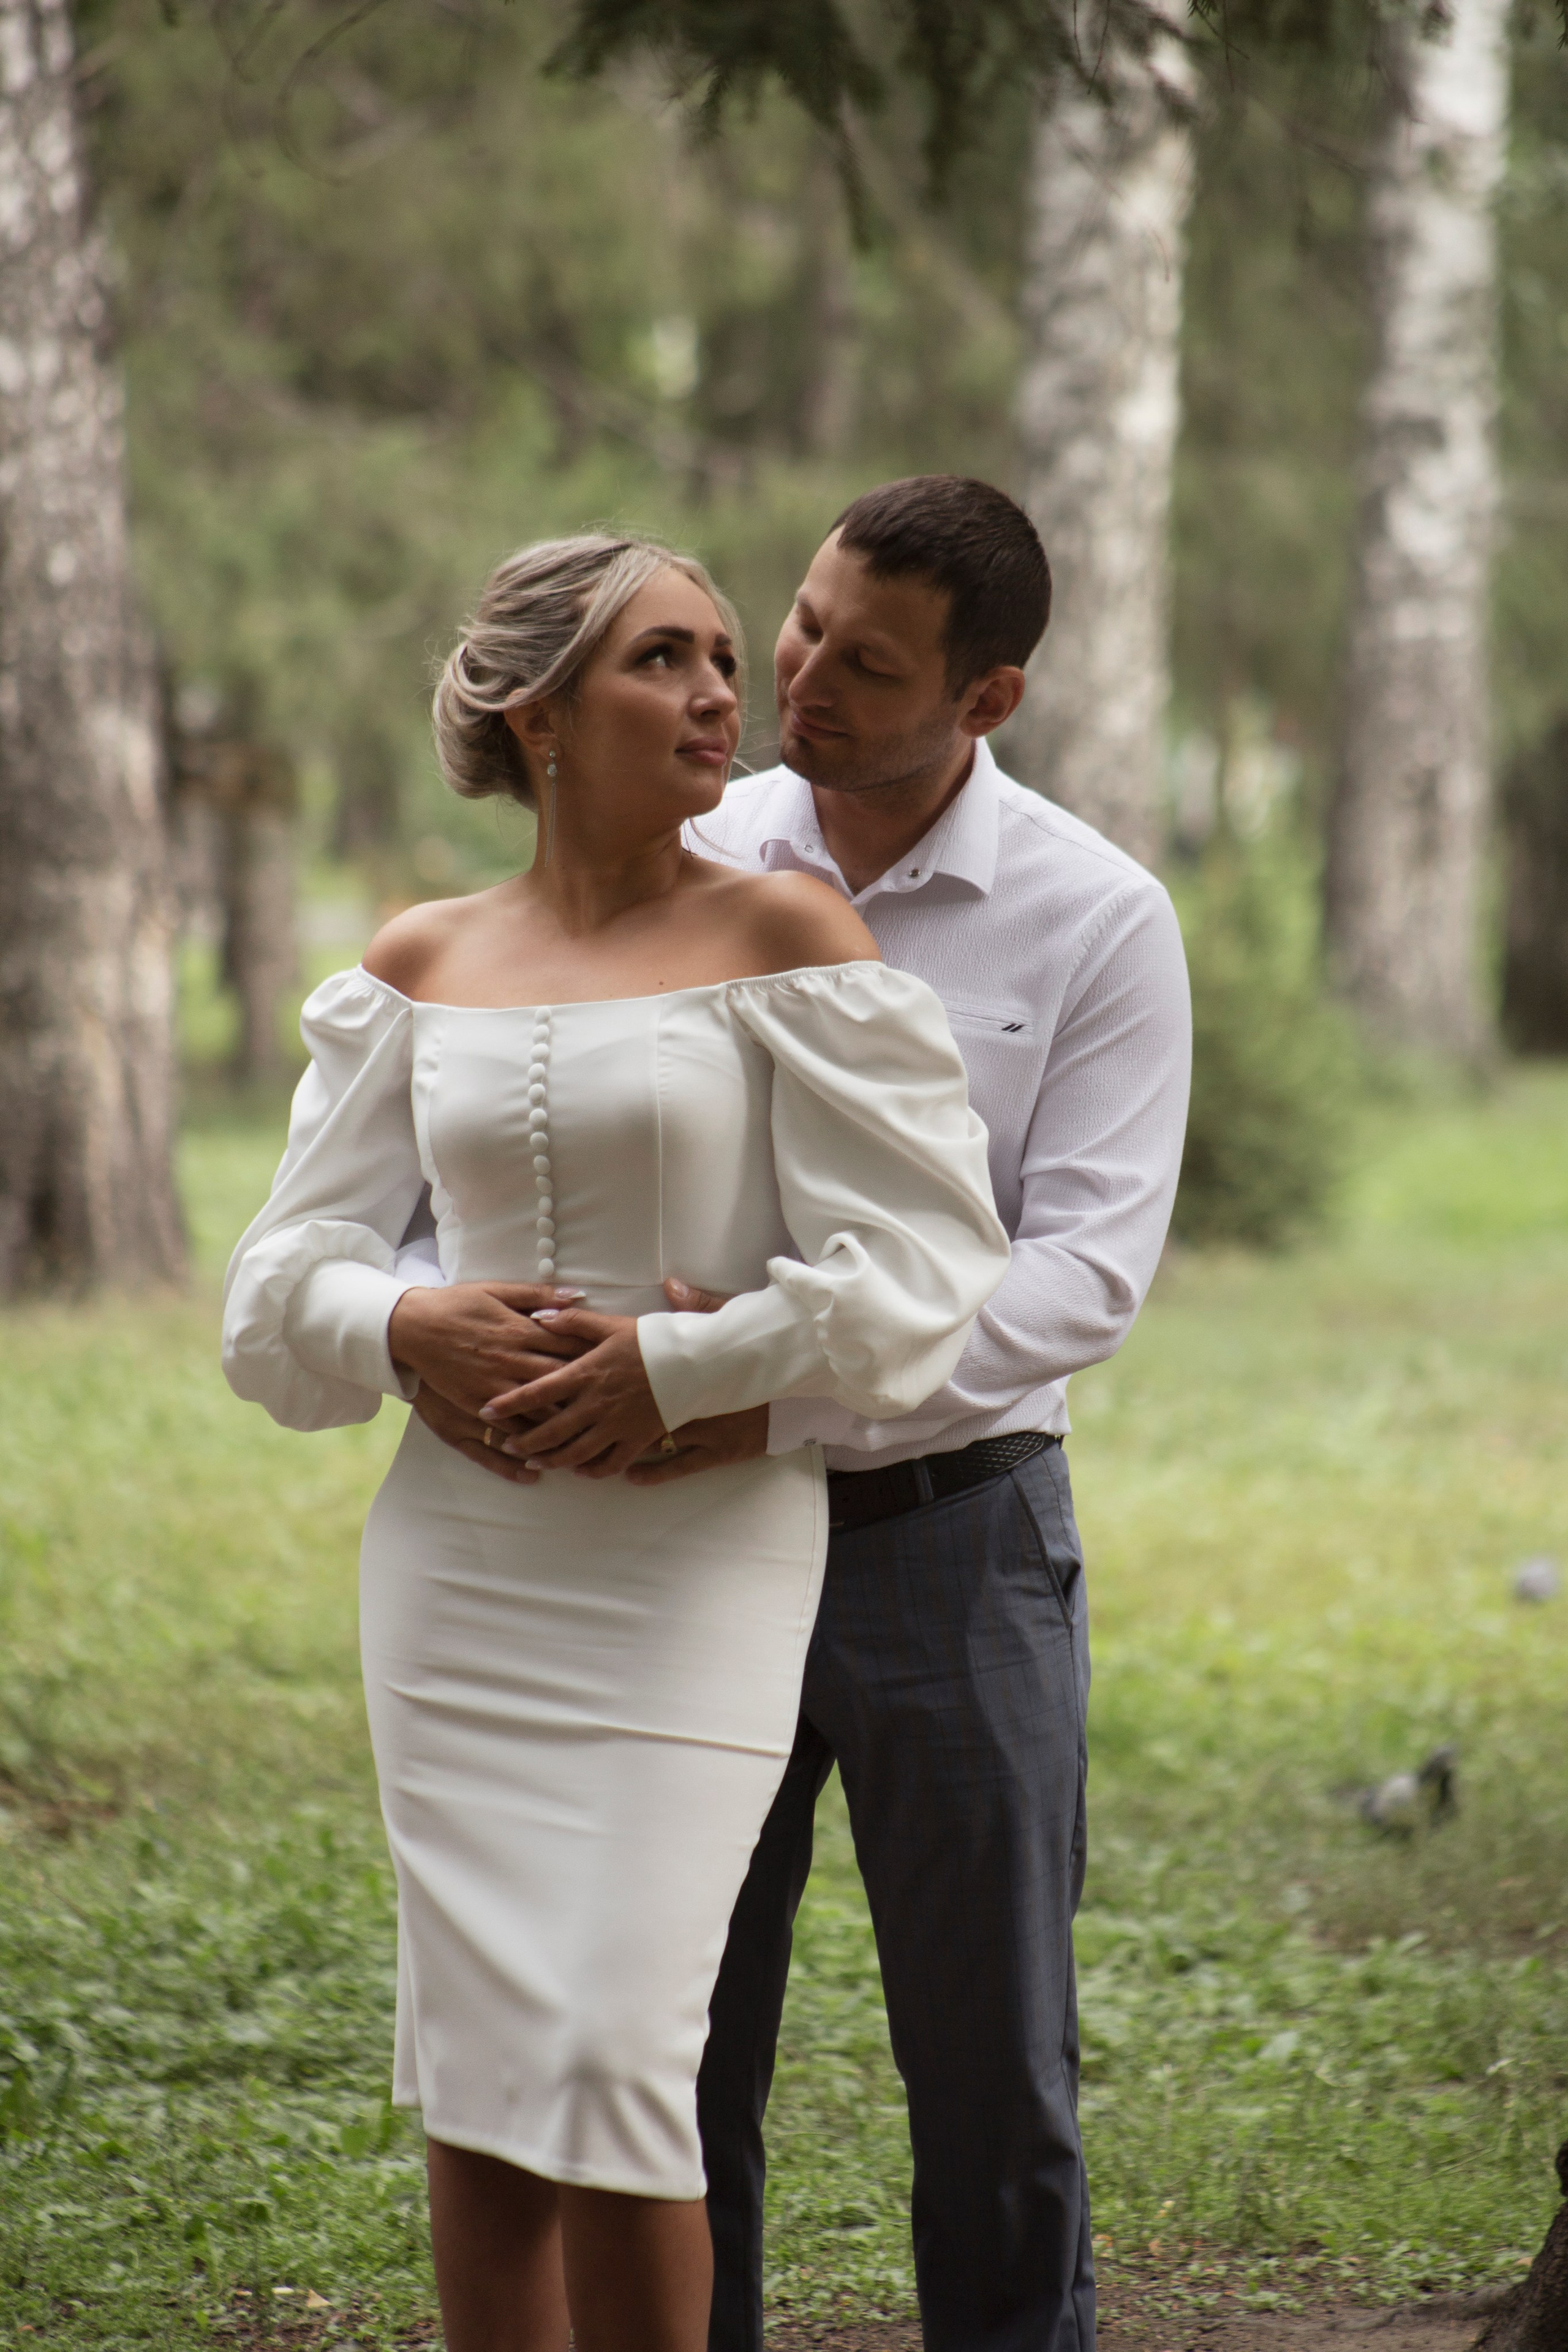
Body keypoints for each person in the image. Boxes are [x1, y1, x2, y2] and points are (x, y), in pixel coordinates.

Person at [415, 477, 1193, 2352]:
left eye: (871, 660)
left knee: (994, 2066)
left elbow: (1078, 1278)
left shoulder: (1096, 920)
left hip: (951, 1543)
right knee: (671, 2053)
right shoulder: (688, 827)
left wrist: (766, 1399)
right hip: (655, 1552)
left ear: (985, 700)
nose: (799, 676)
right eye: (804, 622)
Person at [220, 531, 1011, 2352]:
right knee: (488, 2093)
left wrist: (688, 1362)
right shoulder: (420, 959)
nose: (725, 692)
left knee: (616, 2054)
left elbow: (923, 1266)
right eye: (665, 658)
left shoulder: (789, 939)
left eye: (729, 656)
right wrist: (397, 1318)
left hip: (699, 1563)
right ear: (539, 712)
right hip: (457, 1578)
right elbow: (278, 1283)